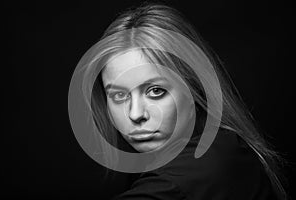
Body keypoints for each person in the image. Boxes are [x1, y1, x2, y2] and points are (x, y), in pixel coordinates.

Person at [77, 2, 288, 200]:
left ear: (195, 88)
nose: (135, 114)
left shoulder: (197, 173)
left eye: (155, 91)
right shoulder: (221, 148)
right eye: (119, 95)